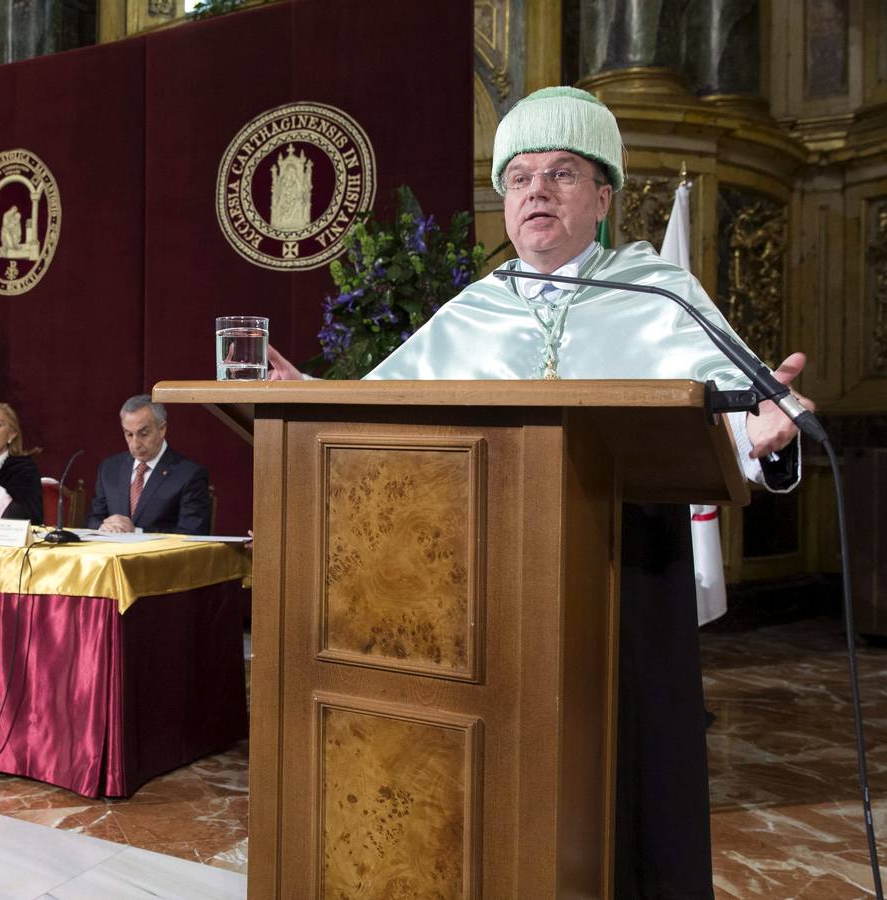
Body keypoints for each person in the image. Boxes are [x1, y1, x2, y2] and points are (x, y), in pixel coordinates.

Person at [268, 86, 812, 900]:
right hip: (481, 584)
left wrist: (764, 436)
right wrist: (309, 399)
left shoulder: (659, 293)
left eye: (561, 174)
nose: (536, 193)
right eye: (519, 178)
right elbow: (384, 414)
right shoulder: (473, 308)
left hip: (627, 568)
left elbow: (742, 414)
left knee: (626, 757)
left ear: (602, 195)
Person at [86, 395, 212, 535]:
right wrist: (103, 528)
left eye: (143, 434)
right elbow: (94, 519)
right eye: (129, 434)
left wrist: (137, 532)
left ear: (162, 429)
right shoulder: (109, 468)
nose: (135, 444)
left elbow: (192, 533)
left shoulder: (189, 474)